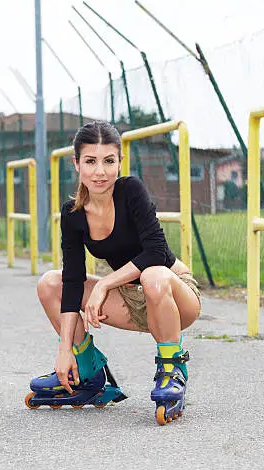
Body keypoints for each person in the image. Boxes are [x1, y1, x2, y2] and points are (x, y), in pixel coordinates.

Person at [26, 120, 201, 425]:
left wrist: (105, 283)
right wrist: (64, 350)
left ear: (120, 161)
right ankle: (87, 373)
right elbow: (71, 283)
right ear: (76, 164)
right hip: (133, 299)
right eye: (90, 161)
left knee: (153, 275)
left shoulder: (131, 190)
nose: (100, 171)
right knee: (50, 283)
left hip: (173, 295)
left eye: (109, 161)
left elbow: (156, 253)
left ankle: (172, 368)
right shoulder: (72, 215)